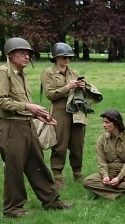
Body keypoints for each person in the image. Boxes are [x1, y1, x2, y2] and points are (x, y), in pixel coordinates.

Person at [0, 37, 73, 217]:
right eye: (22, 53)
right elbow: (0, 101)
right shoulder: (2, 72)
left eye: (28, 53)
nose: (26, 56)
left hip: (28, 125)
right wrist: (28, 107)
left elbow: (24, 102)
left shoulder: (23, 75)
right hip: (11, 127)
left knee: (38, 164)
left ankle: (51, 201)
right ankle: (13, 208)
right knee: (14, 168)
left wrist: (40, 115)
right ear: (10, 54)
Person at [41, 42, 86, 188]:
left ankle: (78, 173)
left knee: (77, 143)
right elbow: (49, 94)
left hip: (76, 111)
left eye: (69, 57)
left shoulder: (73, 73)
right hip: (60, 111)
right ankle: (57, 175)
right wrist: (67, 87)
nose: (67, 59)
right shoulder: (48, 73)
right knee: (59, 144)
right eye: (64, 57)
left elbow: (80, 94)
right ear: (56, 57)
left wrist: (83, 87)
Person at [83, 110, 125, 200]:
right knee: (88, 182)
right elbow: (102, 161)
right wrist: (105, 176)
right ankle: (123, 194)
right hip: (110, 170)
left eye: (107, 122)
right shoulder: (102, 139)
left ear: (116, 123)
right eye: (103, 122)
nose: (103, 125)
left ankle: (105, 192)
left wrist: (118, 178)